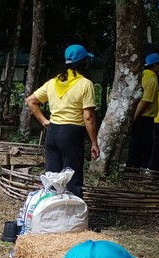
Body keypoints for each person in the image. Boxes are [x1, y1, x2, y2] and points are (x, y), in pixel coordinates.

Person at [26, 44, 99, 198]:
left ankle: (51, 209)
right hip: (71, 134)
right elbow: (89, 117)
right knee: (73, 179)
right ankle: (73, 211)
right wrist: (94, 142)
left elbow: (31, 100)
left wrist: (44, 121)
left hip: (52, 133)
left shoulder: (53, 82)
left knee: (52, 178)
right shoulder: (85, 84)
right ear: (84, 63)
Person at [126, 53, 159, 168]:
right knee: (141, 145)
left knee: (137, 143)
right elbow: (145, 101)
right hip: (145, 118)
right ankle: (134, 167)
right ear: (155, 66)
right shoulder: (151, 80)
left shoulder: (143, 76)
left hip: (142, 117)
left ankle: (133, 166)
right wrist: (135, 118)